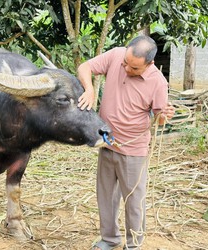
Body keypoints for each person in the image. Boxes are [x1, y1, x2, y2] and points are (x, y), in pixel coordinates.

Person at [77, 35, 175, 250]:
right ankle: (109, 239)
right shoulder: (115, 55)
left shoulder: (158, 82)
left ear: (149, 64)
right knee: (106, 197)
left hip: (133, 150)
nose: (127, 69)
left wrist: (165, 114)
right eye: (125, 64)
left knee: (134, 201)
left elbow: (159, 118)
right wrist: (90, 88)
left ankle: (133, 244)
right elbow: (85, 67)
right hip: (106, 141)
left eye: (135, 68)